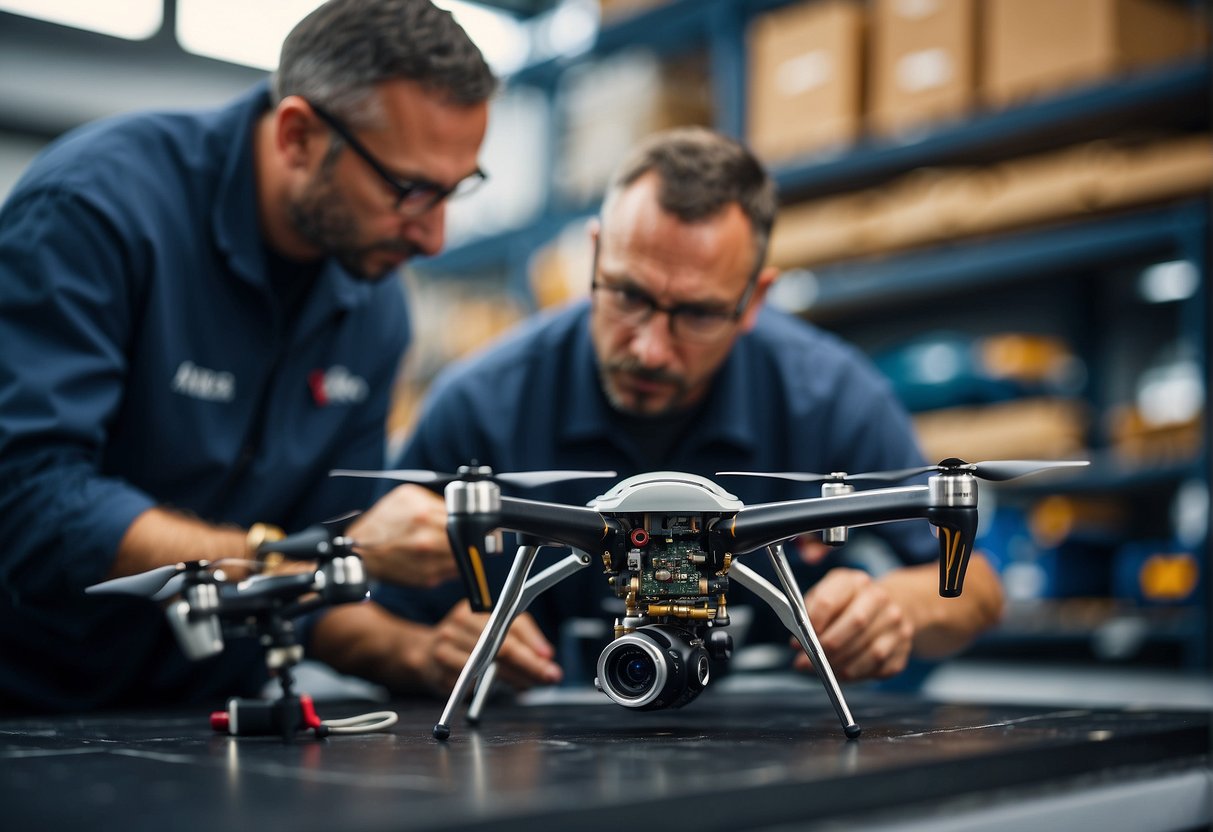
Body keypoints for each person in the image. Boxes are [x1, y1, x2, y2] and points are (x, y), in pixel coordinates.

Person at [311, 127, 1005, 697]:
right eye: (627, 296)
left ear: (753, 300)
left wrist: (894, 608)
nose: (649, 347)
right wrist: (422, 652)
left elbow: (974, 586)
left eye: (698, 314)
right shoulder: (481, 403)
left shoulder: (829, 393)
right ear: (593, 257)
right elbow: (333, 609)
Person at [0, 0, 494, 713]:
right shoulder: (96, 209)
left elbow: (311, 590)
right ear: (297, 135)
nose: (435, 238)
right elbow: (30, 500)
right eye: (410, 191)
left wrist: (417, 653)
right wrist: (302, 558)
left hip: (213, 718)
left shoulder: (372, 304)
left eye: (455, 191)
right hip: (26, 713)